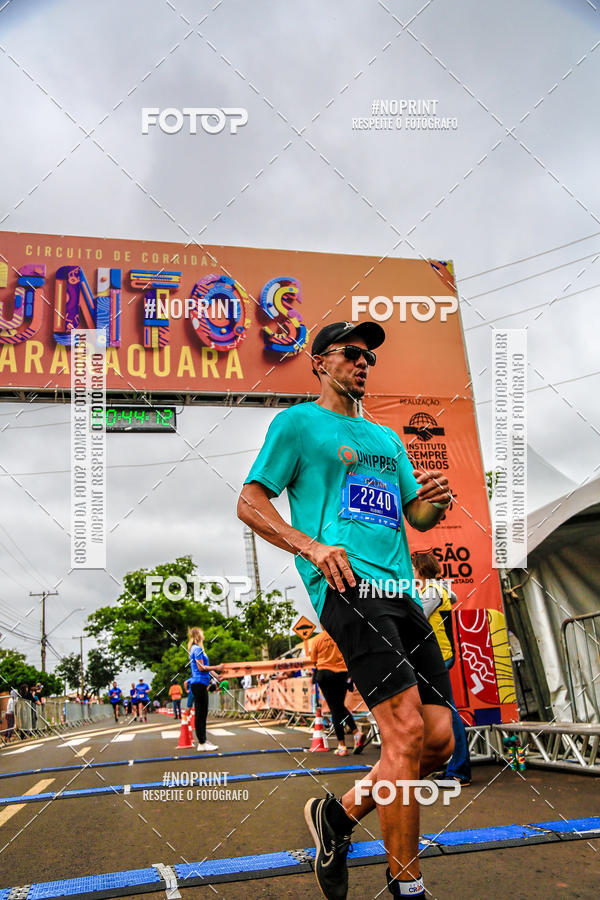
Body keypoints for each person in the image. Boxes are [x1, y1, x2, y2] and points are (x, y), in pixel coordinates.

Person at [238, 320, 454, 899]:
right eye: (352, 354)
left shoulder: (386, 439)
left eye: (370, 358)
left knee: (437, 741)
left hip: (401, 593)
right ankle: (405, 887)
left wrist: (434, 502)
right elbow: (249, 500)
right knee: (403, 731)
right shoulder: (298, 424)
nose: (364, 363)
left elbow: (417, 517)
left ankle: (337, 817)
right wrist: (309, 545)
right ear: (319, 362)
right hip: (346, 586)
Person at [413, 552, 472, 786]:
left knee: (447, 712)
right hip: (438, 655)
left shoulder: (430, 592)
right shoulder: (438, 590)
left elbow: (413, 618)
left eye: (412, 569)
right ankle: (450, 766)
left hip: (436, 656)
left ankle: (459, 770)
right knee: (435, 711)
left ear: (420, 571)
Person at [310, 629, 365, 756]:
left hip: (325, 673)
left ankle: (342, 744)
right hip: (342, 674)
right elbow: (350, 656)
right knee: (339, 706)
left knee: (335, 709)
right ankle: (356, 733)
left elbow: (314, 660)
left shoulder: (318, 639)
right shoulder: (342, 635)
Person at [188, 627, 224, 751]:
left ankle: (203, 740)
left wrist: (216, 675)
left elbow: (205, 668)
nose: (204, 635)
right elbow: (202, 668)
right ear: (198, 635)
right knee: (200, 713)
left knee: (202, 713)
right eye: (202, 633)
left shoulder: (198, 649)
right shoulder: (197, 649)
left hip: (201, 683)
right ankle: (202, 742)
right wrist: (217, 667)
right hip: (198, 683)